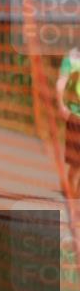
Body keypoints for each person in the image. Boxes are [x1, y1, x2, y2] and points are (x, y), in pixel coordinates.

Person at [57, 47, 80, 190]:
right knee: (76, 160)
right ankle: (70, 183)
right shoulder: (72, 57)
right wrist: (61, 106)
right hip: (76, 116)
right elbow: (61, 83)